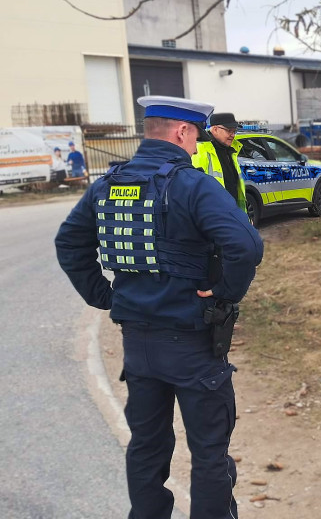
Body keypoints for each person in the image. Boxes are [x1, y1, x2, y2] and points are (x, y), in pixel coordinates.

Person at [55, 95, 263, 518]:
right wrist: (224, 293)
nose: (197, 145)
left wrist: (105, 296)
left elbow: (69, 243)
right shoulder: (192, 184)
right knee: (209, 453)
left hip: (138, 348)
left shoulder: (108, 184)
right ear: (182, 131)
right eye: (196, 136)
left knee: (146, 448)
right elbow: (245, 245)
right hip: (192, 345)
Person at [191, 112, 247, 212]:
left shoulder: (231, 150)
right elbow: (194, 188)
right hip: (213, 214)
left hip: (232, 212)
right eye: (229, 131)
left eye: (234, 131)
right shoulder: (200, 150)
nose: (233, 135)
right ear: (215, 129)